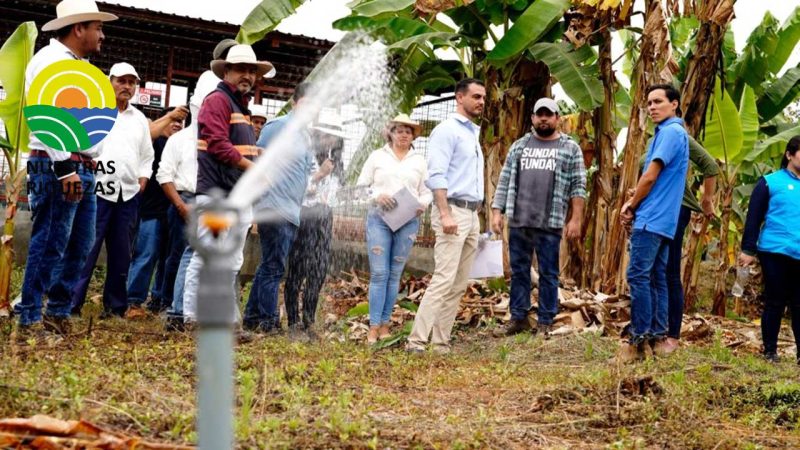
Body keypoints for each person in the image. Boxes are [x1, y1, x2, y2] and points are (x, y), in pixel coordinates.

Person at [16, 0, 117, 337]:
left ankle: (57, 312)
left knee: (80, 244)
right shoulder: (50, 60)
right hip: (58, 163)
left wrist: (90, 156)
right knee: (51, 240)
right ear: (78, 28)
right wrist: (63, 167)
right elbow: (46, 116)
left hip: (81, 165)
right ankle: (29, 318)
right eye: (98, 28)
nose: (102, 35)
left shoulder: (80, 66)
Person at [182, 44, 273, 325]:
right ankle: (192, 316)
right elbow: (218, 145)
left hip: (237, 196)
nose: (248, 75)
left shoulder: (239, 106)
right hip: (217, 193)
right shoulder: (218, 100)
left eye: (252, 71)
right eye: (241, 69)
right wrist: (253, 169)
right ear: (227, 71)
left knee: (232, 261)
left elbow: (236, 147)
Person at [491, 98, 586, 338]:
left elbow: (578, 185)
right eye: (539, 114)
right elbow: (504, 179)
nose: (544, 118)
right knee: (519, 271)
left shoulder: (570, 148)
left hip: (550, 222)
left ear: (557, 118)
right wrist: (496, 211)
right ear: (533, 118)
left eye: (549, 114)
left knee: (548, 273)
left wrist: (575, 219)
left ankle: (545, 320)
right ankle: (518, 318)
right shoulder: (519, 146)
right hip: (519, 220)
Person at [406, 78, 486, 354]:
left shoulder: (472, 133)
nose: (481, 101)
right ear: (459, 98)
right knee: (443, 278)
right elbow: (437, 175)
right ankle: (416, 341)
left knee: (459, 283)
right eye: (476, 96)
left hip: (471, 214)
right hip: (452, 212)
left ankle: (440, 342)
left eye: (483, 97)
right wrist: (444, 213)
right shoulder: (447, 130)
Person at [71, 62, 155, 318]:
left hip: (128, 193)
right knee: (86, 249)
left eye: (132, 82)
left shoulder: (139, 119)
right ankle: (71, 304)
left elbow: (147, 155)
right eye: (121, 81)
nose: (126, 86)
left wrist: (143, 178)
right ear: (110, 82)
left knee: (121, 254)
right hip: (97, 190)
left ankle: (115, 307)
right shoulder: (95, 110)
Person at [617, 84, 689, 362]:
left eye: (658, 102)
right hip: (666, 221)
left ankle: (637, 342)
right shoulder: (677, 133)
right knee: (658, 278)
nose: (652, 107)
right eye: (648, 103)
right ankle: (657, 339)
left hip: (651, 219)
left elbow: (650, 176)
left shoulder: (670, 132)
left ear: (674, 104)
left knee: (638, 276)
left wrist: (632, 205)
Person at [243, 82, 315, 334]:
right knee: (274, 267)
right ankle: (269, 320)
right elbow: (257, 159)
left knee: (270, 264)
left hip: (292, 210)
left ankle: (252, 317)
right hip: (273, 206)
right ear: (295, 103)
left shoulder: (306, 136)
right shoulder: (278, 126)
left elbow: (306, 172)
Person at [357, 114, 432, 344]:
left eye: (408, 132)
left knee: (394, 273)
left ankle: (385, 323)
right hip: (380, 218)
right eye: (399, 130)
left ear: (413, 136)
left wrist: (422, 204)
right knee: (379, 273)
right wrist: (376, 195)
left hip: (407, 220)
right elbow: (361, 187)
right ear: (390, 133)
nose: (404, 135)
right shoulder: (377, 156)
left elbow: (427, 191)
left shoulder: (419, 161)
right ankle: (373, 325)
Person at [157, 70, 219, 331]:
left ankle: (185, 308)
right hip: (184, 200)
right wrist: (181, 206)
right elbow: (164, 176)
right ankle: (173, 307)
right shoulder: (180, 140)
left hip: (210, 201)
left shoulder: (217, 141)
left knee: (201, 257)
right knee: (181, 256)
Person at [281, 112, 345, 335]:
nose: (330, 141)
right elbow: (297, 188)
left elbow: (337, 193)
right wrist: (319, 175)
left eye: (334, 137)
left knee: (318, 269)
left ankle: (309, 320)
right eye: (326, 135)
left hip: (325, 217)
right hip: (304, 215)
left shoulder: (336, 162)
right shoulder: (304, 154)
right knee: (297, 269)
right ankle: (293, 321)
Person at [739, 136, 800, 363]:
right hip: (774, 250)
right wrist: (748, 250)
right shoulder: (770, 182)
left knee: (799, 304)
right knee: (776, 300)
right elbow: (754, 218)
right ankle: (770, 351)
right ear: (789, 155)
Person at [661, 136, 719, 353]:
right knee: (653, 271)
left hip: (676, 208)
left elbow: (710, 165)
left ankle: (672, 335)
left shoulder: (678, 135)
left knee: (669, 271)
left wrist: (707, 200)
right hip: (656, 208)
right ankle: (654, 329)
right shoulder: (656, 137)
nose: (652, 116)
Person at [127, 108, 185, 315]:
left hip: (175, 212)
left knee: (169, 259)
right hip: (151, 211)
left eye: (180, 122)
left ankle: (159, 299)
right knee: (146, 255)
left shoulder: (182, 146)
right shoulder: (153, 142)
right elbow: (148, 132)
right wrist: (168, 117)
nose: (177, 124)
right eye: (173, 120)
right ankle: (134, 301)